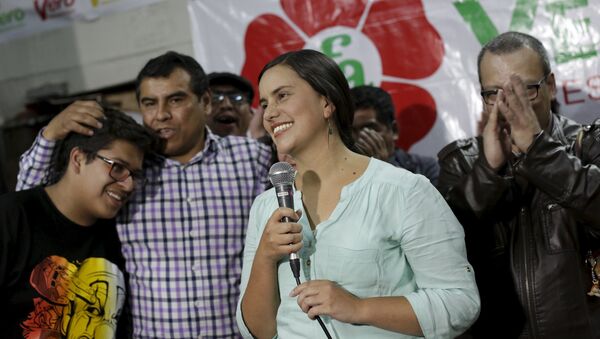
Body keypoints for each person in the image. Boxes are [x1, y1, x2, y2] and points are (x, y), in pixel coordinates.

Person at [17, 51, 272, 338]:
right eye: (150, 103)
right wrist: (51, 134)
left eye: (175, 100)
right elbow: (32, 203)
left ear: (205, 102)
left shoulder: (252, 160)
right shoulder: (125, 175)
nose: (160, 114)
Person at [236, 49, 480, 338]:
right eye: (264, 103)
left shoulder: (403, 190)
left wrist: (358, 307)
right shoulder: (266, 206)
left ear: (326, 102)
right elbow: (257, 331)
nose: (270, 113)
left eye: (282, 96)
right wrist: (265, 257)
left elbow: (460, 303)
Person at [437, 31, 600, 338]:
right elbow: (444, 250)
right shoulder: (462, 163)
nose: (508, 103)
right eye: (494, 93)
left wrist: (539, 151)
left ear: (550, 87)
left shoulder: (589, 145)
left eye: (525, 89)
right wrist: (488, 170)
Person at [1, 108, 158, 338]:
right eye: (118, 167)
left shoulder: (118, 233)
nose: (129, 185)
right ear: (78, 159)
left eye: (134, 174)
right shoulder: (12, 216)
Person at [350, 85, 439, 185]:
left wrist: (383, 168)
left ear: (394, 130)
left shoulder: (425, 168)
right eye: (351, 131)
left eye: (369, 129)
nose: (359, 139)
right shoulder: (341, 174)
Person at [207, 71, 256, 138]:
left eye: (236, 98)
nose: (226, 105)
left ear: (251, 113)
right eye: (215, 97)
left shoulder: (269, 147)